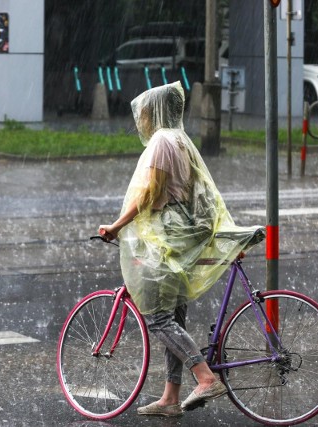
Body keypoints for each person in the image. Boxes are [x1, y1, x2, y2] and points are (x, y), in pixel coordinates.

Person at [98, 81, 259, 417]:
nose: (139, 119)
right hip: (182, 237)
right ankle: (171, 397)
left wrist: (116, 225)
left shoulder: (160, 142)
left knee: (157, 318)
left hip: (166, 239)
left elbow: (149, 196)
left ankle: (204, 377)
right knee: (173, 317)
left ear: (154, 112)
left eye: (142, 112)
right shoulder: (181, 141)